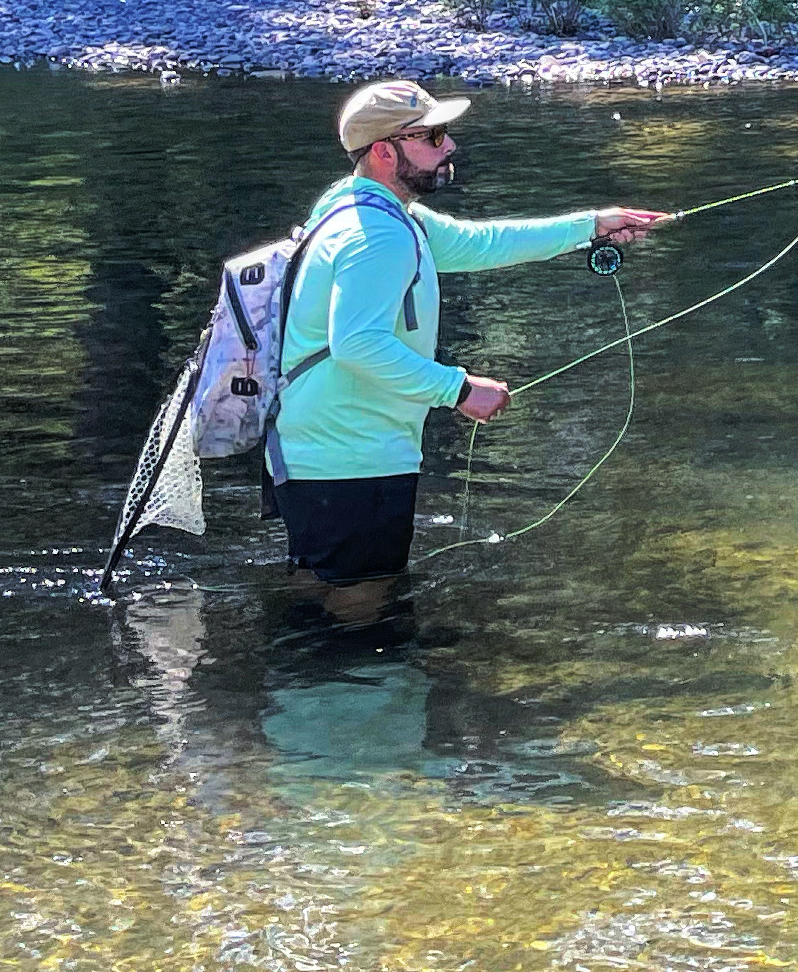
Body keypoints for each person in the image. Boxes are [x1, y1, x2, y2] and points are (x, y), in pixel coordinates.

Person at [269, 79, 668, 629]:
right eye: (432, 137)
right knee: (362, 608)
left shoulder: (369, 210)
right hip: (351, 459)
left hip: (323, 452)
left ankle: (305, 670)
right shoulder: (376, 235)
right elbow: (357, 343)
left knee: (325, 591)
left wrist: (591, 226)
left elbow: (482, 243)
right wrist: (457, 389)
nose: (450, 146)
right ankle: (358, 679)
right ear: (384, 151)